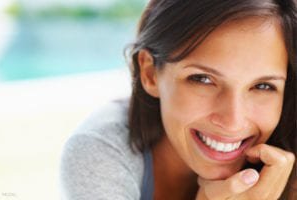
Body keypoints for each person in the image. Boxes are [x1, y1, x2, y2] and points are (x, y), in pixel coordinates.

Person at [60, 0, 297, 199]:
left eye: (263, 86)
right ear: (150, 73)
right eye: (203, 79)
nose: (233, 122)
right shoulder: (101, 154)